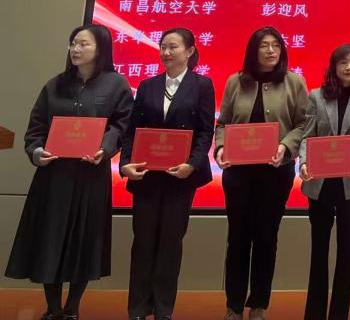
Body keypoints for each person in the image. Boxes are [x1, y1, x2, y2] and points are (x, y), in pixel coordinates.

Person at [5, 23, 133, 320]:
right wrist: (37, 152)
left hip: (91, 177)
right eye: (73, 43)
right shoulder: (54, 85)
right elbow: (36, 128)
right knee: (49, 240)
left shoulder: (116, 84)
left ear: (101, 49)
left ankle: (72, 306)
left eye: (83, 44)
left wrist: (105, 148)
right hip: (54, 177)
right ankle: (52, 307)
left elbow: (122, 125)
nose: (76, 49)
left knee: (84, 242)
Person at [214, 26, 310, 320]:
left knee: (266, 237)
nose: (270, 51)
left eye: (276, 45)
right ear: (253, 51)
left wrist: (286, 145)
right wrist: (220, 148)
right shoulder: (236, 81)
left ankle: (258, 304)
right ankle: (233, 305)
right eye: (264, 45)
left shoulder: (294, 82)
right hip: (238, 174)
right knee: (238, 237)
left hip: (275, 172)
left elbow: (304, 124)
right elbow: (223, 123)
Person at [120, 27, 216, 320]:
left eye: (173, 47)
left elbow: (205, 131)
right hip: (146, 176)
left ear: (190, 51)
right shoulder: (147, 85)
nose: (166, 52)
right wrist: (126, 163)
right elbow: (132, 130)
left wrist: (192, 164)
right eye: (163, 46)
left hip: (180, 178)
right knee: (143, 241)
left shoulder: (202, 85)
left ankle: (163, 309)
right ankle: (137, 308)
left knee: (170, 243)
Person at [298, 43, 350, 320]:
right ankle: (314, 313)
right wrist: (304, 163)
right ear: (334, 67)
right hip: (319, 183)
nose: (349, 68)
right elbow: (307, 136)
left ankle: (339, 313)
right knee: (319, 250)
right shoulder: (317, 96)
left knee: (346, 250)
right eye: (343, 62)